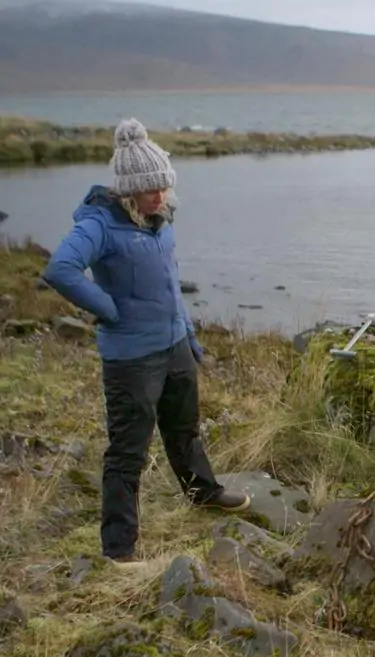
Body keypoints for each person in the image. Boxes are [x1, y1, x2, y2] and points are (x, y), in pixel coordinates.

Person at [42, 118, 248, 565]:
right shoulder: (100, 223)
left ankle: (203, 493)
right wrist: (110, 309)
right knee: (127, 453)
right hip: (131, 358)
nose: (160, 196)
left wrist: (189, 336)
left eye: (164, 186)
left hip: (174, 345)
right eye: (151, 189)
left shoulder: (160, 221)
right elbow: (60, 268)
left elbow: (171, 284)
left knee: (184, 429)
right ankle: (118, 549)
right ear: (128, 189)